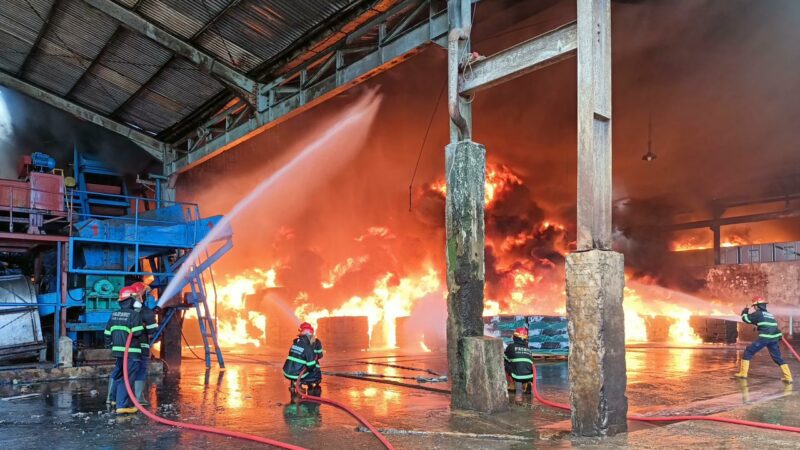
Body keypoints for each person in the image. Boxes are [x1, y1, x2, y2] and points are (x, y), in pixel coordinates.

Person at [104, 286, 146, 414]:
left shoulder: (114, 314)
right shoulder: (134, 315)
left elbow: (107, 333)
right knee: (127, 378)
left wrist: (109, 345)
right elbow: (137, 333)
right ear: (132, 300)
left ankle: (114, 400)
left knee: (119, 375)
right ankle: (123, 406)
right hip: (131, 352)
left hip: (118, 351)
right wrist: (141, 324)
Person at [734, 296, 793, 383]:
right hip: (774, 338)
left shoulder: (758, 313)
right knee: (777, 358)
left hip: (765, 338)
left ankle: (743, 374)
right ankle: (788, 378)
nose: (754, 308)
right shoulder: (770, 314)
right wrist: (779, 336)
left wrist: (745, 310)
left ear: (757, 306)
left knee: (748, 351)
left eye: (754, 306)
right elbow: (773, 326)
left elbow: (745, 319)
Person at [131, 281, 157, 405]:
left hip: (124, 348)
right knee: (141, 370)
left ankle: (113, 398)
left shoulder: (124, 310)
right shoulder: (146, 312)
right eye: (147, 294)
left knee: (121, 371)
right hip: (141, 347)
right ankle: (138, 398)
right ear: (142, 295)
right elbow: (152, 331)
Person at [283, 322, 322, 397]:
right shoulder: (308, 348)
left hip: (286, 371)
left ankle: (293, 384)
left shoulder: (295, 343)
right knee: (313, 370)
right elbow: (311, 366)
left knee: (301, 363)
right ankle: (304, 384)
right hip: (296, 375)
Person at [504, 327, 534, 402]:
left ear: (515, 337)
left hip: (518, 376)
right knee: (521, 364)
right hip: (530, 375)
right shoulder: (528, 349)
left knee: (504, 361)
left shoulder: (511, 347)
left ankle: (513, 387)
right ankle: (527, 384)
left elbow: (505, 358)